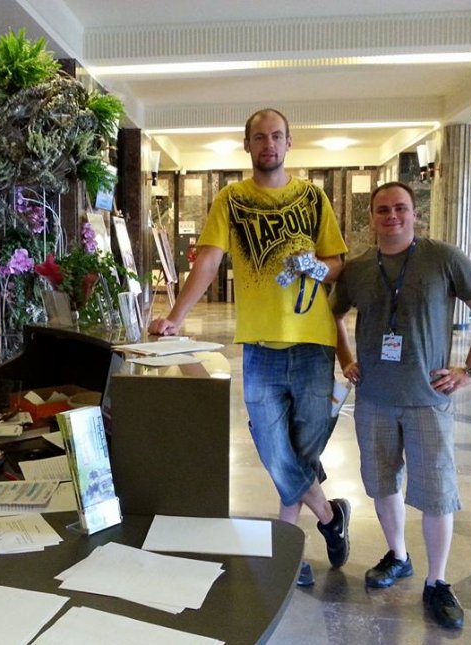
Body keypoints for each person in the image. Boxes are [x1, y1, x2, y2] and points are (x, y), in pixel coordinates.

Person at [149, 108, 351, 586]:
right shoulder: (231, 200)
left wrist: (313, 267)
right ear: (247, 145)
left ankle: (288, 549)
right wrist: (176, 316)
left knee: (300, 451)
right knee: (274, 449)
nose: (268, 144)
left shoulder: (312, 197)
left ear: (289, 142)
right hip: (259, 346)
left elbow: (337, 263)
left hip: (313, 343)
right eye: (259, 137)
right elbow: (208, 261)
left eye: (276, 136)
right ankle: (329, 516)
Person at [331, 181, 471, 629]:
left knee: (436, 492)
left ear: (414, 214)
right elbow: (333, 315)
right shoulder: (358, 268)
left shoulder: (442, 258)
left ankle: (437, 581)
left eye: (400, 208)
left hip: (428, 398)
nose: (392, 216)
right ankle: (398, 556)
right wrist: (346, 358)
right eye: (383, 210)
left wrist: (470, 369)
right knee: (382, 483)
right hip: (374, 399)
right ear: (372, 217)